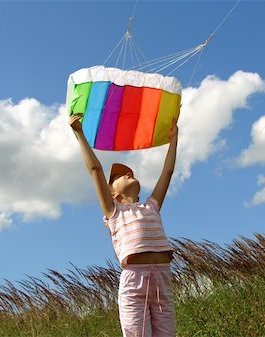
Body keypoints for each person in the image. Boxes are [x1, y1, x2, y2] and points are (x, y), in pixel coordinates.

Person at [69, 113, 178, 337]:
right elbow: (95, 170)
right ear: (113, 193)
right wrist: (79, 133)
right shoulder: (113, 211)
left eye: (129, 173)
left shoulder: (151, 206)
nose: (128, 173)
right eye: (120, 175)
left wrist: (174, 139)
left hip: (162, 279)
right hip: (134, 281)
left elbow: (167, 172)